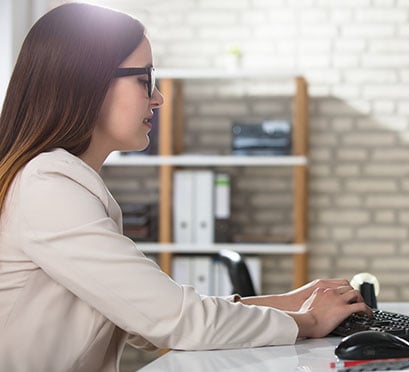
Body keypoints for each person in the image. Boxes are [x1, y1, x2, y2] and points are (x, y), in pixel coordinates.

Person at [0, 4, 370, 372]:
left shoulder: (58, 181)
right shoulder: (47, 187)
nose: (158, 98)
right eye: (144, 80)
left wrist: (290, 303)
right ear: (86, 81)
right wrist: (308, 322)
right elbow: (173, 321)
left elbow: (149, 314)